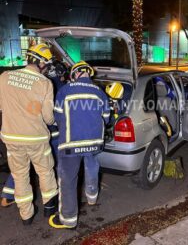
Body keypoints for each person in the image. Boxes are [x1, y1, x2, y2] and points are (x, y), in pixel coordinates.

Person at [0, 43, 58, 225]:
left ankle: (26, 215)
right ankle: (50, 209)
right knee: (45, 172)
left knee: (20, 176)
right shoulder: (44, 83)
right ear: (41, 64)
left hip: (12, 137)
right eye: (47, 66)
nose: (47, 70)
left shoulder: (4, 77)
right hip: (36, 139)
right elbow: (48, 118)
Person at [49, 61, 110, 229]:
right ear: (89, 74)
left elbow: (56, 118)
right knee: (92, 168)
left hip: (71, 144)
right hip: (94, 143)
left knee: (68, 180)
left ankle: (68, 220)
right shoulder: (100, 92)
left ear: (75, 74)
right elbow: (106, 118)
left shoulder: (64, 91)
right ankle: (91, 197)